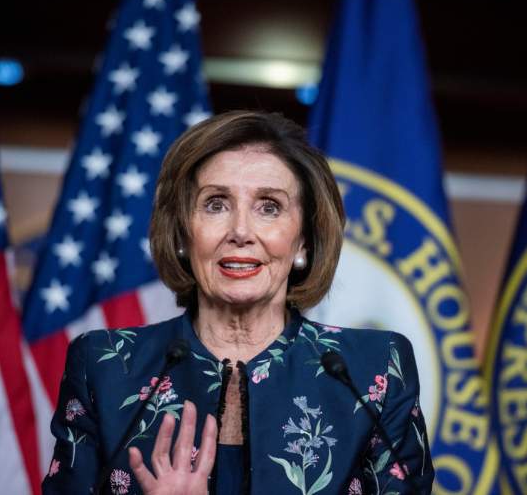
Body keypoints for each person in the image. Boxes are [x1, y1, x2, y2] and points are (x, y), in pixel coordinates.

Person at [42, 111, 434, 494]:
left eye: (269, 206)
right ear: (182, 233)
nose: (240, 231)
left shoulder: (373, 370)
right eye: (216, 204)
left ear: (303, 241)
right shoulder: (104, 367)